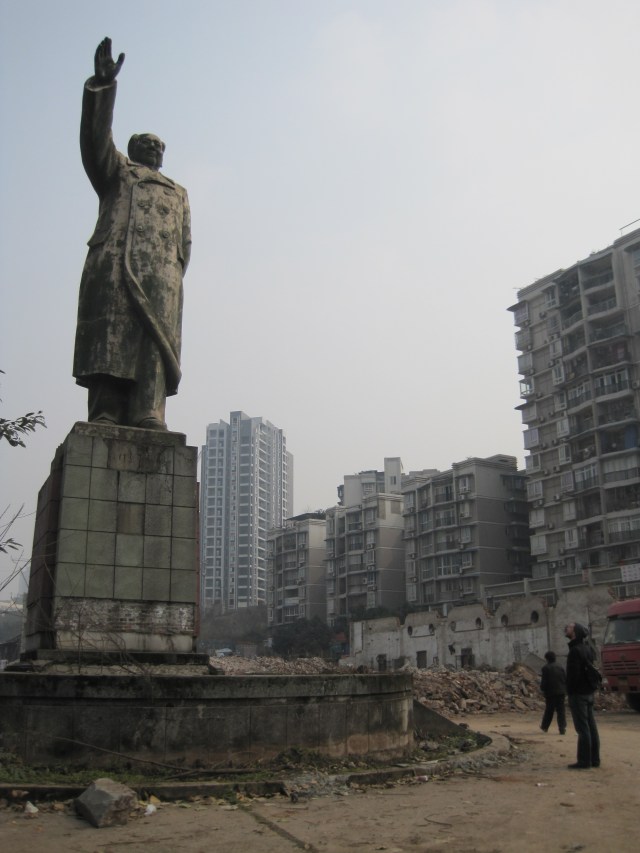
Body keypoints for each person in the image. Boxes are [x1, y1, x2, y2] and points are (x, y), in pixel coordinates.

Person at [73, 38, 192, 431]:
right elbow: (95, 142)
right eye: (146, 143)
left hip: (161, 279)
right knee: (111, 336)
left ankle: (149, 410)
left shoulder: (179, 192)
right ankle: (106, 408)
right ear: (132, 148)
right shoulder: (117, 173)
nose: (154, 147)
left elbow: (185, 246)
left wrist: (170, 276)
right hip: (115, 264)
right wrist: (102, 88)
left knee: (151, 345)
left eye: (159, 145)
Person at [565, 622, 601, 769]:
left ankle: (584, 761)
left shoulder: (575, 651)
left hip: (578, 694)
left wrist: (570, 691)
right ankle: (595, 759)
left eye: (570, 627)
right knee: (591, 726)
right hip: (588, 692)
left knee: (582, 728)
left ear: (575, 633)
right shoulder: (587, 648)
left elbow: (573, 675)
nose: (567, 628)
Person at [539, 650, 567, 735]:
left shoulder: (545, 668)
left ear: (547, 659)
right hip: (561, 692)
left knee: (549, 711)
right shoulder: (561, 667)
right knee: (561, 711)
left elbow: (544, 682)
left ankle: (545, 727)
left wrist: (542, 689)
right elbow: (565, 679)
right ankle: (562, 728)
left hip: (550, 693)